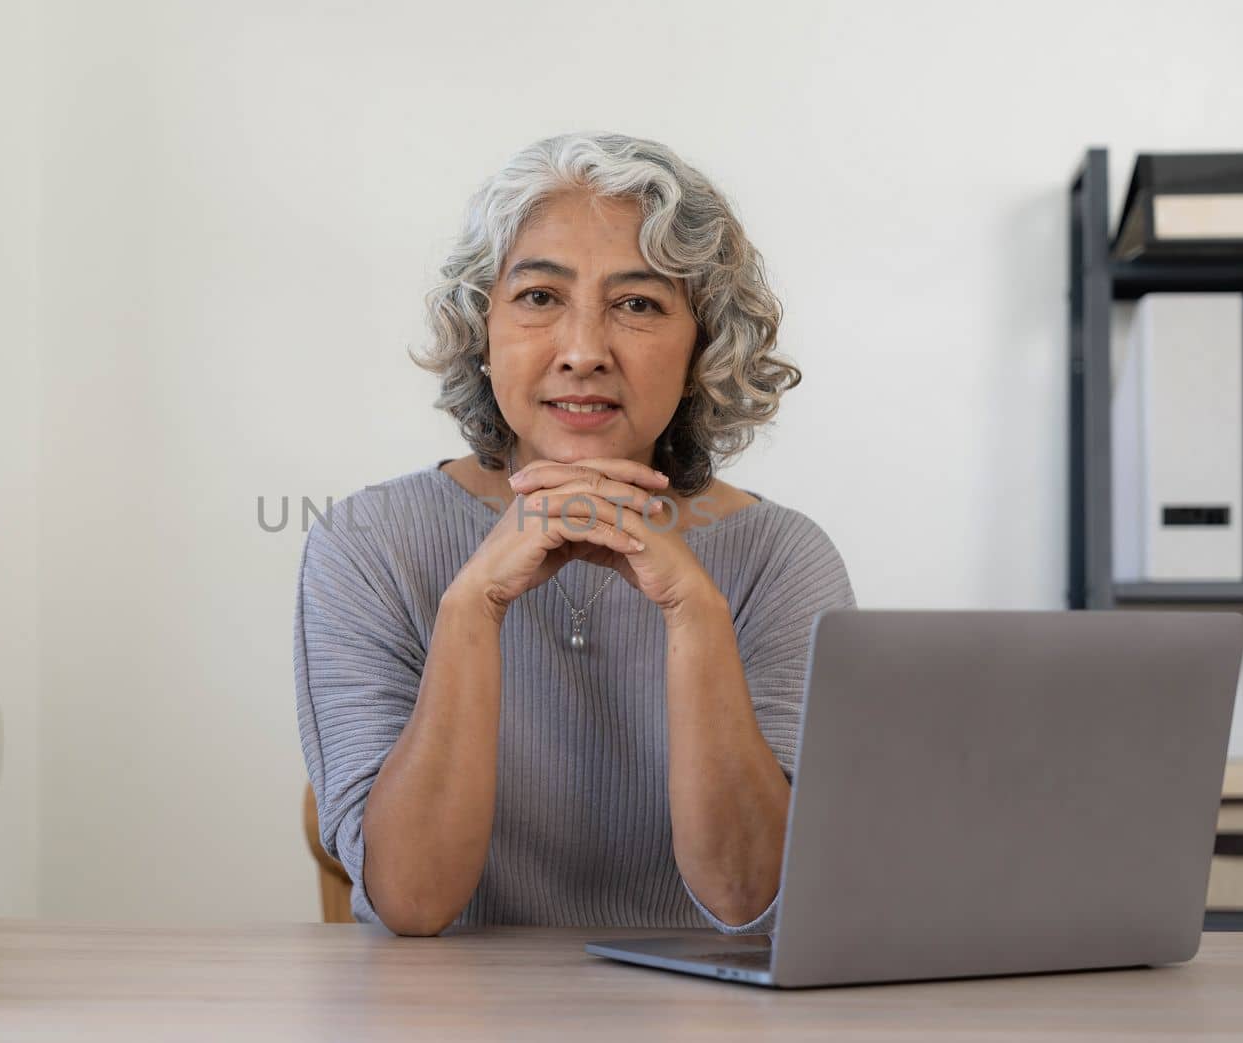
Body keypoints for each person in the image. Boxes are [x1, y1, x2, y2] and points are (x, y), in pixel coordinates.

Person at [293, 132, 855, 937]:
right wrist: (474, 604)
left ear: (703, 348)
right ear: (481, 331)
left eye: (639, 304)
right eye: (538, 297)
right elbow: (411, 903)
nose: (585, 351)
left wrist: (695, 609)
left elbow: (751, 899)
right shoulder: (368, 542)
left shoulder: (783, 558)